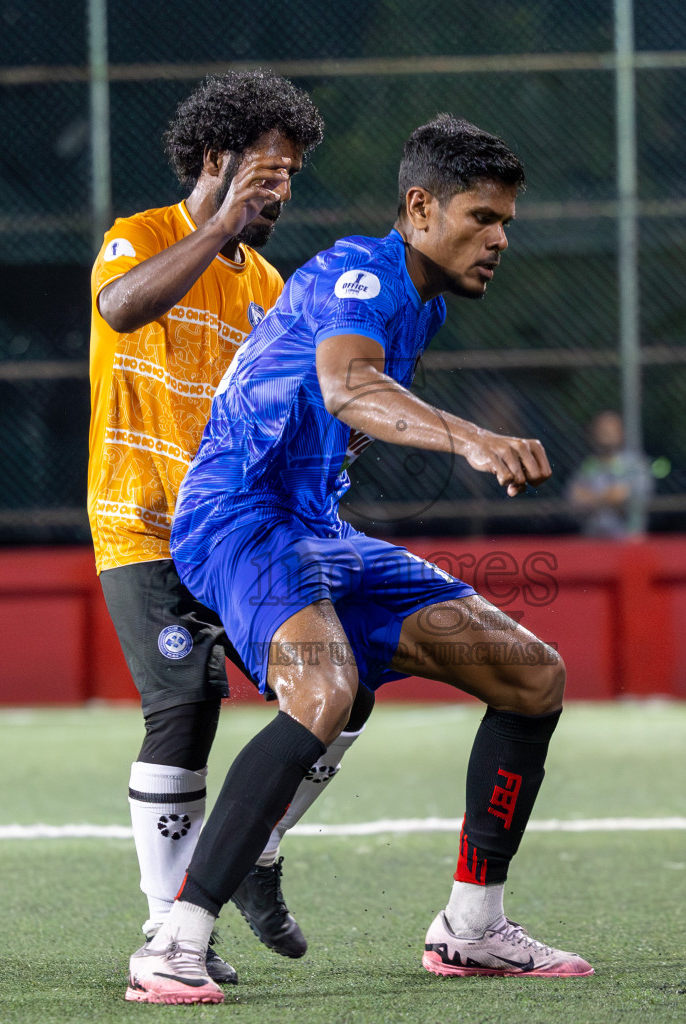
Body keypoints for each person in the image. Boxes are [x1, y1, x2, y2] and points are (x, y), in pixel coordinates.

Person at [123, 114, 593, 1005]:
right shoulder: (361, 273)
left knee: (532, 676)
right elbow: (348, 384)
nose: (498, 239)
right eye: (481, 218)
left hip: (314, 530)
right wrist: (470, 439)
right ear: (419, 209)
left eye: (505, 222)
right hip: (237, 519)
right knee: (324, 690)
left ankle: (472, 926)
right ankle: (175, 941)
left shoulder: (425, 300)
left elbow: (336, 396)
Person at [86, 71, 360, 989]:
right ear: (216, 159)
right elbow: (121, 308)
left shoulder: (271, 285)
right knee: (186, 705)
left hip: (237, 532)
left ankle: (257, 847)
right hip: (142, 520)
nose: (281, 192)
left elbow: (280, 412)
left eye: (290, 178)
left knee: (342, 686)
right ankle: (170, 926)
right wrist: (216, 230)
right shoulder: (141, 237)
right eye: (268, 173)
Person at [566, 409, 652, 538]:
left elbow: (621, 496)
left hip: (627, 540)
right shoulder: (588, 465)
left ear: (621, 432)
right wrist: (607, 498)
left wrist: (592, 500)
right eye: (602, 429)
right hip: (594, 541)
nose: (606, 433)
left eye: (611, 429)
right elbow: (575, 498)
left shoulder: (635, 464)